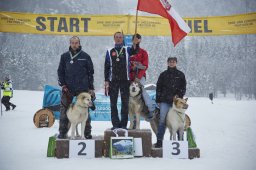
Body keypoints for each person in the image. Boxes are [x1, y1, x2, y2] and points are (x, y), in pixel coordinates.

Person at [57, 36, 95, 139]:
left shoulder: (86, 56)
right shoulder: (64, 56)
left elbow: (90, 73)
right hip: (68, 88)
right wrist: (63, 85)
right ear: (70, 43)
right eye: (72, 42)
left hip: (82, 89)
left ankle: (87, 132)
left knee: (85, 110)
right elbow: (60, 72)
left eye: (76, 42)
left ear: (79, 43)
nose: (74, 44)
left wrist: (91, 88)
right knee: (64, 110)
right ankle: (63, 131)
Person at [155, 57, 186, 148]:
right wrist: (158, 100)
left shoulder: (180, 74)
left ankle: (181, 141)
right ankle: (159, 141)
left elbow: (183, 87)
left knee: (179, 121)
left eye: (173, 62)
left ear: (176, 63)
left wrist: (179, 96)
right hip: (164, 101)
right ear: (167, 63)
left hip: (176, 104)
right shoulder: (163, 74)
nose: (172, 63)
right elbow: (158, 88)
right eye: (170, 62)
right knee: (162, 121)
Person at [104, 32, 130, 130]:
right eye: (117, 37)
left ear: (123, 39)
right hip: (113, 80)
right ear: (114, 38)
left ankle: (123, 124)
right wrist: (106, 80)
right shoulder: (110, 51)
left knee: (125, 103)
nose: (119, 39)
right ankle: (115, 124)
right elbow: (106, 66)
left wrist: (136, 42)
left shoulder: (127, 49)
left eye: (120, 37)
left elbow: (137, 50)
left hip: (125, 80)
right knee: (113, 103)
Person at [129, 33, 155, 120]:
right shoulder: (128, 51)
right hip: (129, 76)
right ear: (132, 40)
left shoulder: (143, 52)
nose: (136, 40)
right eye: (134, 38)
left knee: (141, 90)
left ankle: (151, 109)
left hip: (139, 76)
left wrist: (138, 77)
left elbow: (145, 66)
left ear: (140, 40)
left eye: (138, 39)